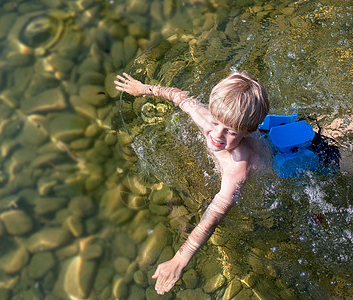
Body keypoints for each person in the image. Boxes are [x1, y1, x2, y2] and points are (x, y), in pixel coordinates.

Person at [115, 71, 271, 294]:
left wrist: (180, 259)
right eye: (216, 122)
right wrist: (142, 89)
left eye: (230, 132)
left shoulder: (238, 169)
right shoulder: (209, 120)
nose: (216, 134)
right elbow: (179, 97)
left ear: (247, 132)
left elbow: (215, 214)